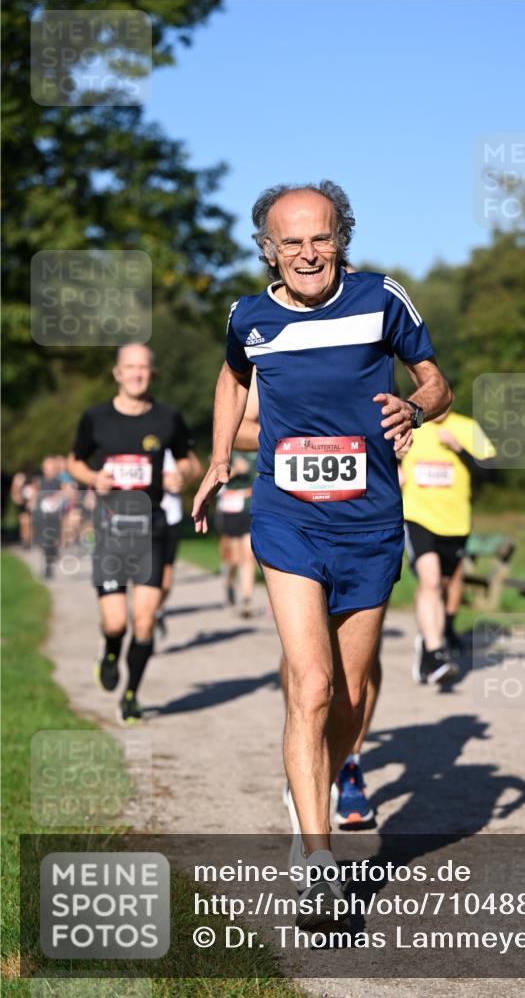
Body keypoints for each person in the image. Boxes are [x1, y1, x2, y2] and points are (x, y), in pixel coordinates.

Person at [193, 181, 451, 920]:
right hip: (286, 517)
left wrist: (415, 406)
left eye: (322, 236)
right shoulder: (249, 316)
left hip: (369, 518)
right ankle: (315, 857)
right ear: (268, 249)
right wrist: (218, 458)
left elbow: (436, 382)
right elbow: (231, 376)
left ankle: (321, 771)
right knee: (309, 684)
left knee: (350, 690)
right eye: (291, 241)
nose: (308, 252)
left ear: (342, 236)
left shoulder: (380, 299)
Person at [235, 370, 390, 828]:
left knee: (357, 675)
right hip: (295, 522)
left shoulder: (373, 333)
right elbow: (239, 429)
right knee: (312, 676)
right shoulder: (271, 347)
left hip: (365, 518)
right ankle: (311, 782)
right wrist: (311, 440)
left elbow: (399, 414)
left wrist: (398, 430)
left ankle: (347, 762)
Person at [68, 344, 197, 724]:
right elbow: (74, 461)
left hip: (152, 528)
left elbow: (191, 460)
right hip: (110, 528)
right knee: (116, 623)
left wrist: (182, 475)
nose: (137, 373)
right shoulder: (95, 418)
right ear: (117, 373)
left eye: (143, 367)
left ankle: (131, 695)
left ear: (151, 373)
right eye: (130, 367)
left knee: (143, 622)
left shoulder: (168, 418)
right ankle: (109, 651)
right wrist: (94, 478)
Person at [401, 405, 496, 683]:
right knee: (430, 580)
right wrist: (395, 466)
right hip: (417, 517)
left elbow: (492, 472)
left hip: (456, 524)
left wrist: (459, 449)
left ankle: (427, 643)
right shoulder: (409, 425)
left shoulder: (468, 427)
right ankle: (435, 652)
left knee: (440, 586)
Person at [156, 447, 203, 639]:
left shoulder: (175, 440)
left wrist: (182, 478)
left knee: (166, 579)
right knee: (144, 575)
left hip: (171, 518)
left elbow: (197, 469)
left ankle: (156, 611)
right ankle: (145, 617)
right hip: (144, 517)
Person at [213, 448, 257, 617]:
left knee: (248, 556)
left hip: (248, 506)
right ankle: (229, 582)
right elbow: (215, 477)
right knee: (233, 558)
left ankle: (247, 601)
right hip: (229, 508)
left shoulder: (258, 445)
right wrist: (236, 470)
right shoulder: (225, 447)